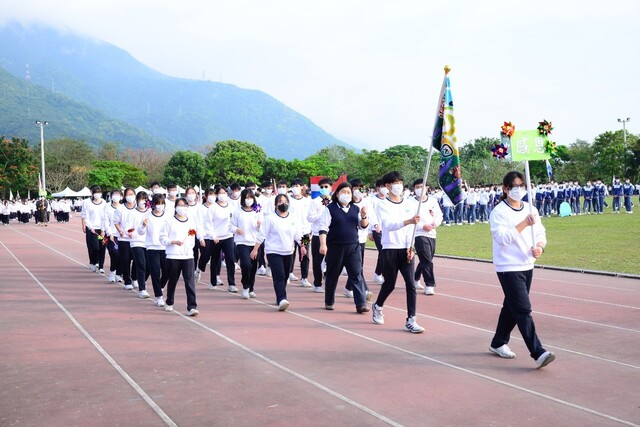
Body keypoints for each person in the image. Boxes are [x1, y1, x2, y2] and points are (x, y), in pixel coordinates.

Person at [488, 171, 555, 369]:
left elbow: (541, 232)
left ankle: (498, 342)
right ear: (505, 189)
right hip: (508, 266)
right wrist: (524, 223)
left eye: (521, 186)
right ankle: (538, 352)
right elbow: (502, 238)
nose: (518, 190)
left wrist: (540, 247)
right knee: (523, 309)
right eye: (514, 186)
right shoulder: (499, 212)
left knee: (511, 306)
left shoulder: (531, 208)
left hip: (527, 264)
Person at [371, 171, 425, 333]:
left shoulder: (409, 204)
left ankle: (411, 320)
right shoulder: (382, 205)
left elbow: (412, 229)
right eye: (395, 183)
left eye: (400, 183)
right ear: (387, 186)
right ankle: (378, 306)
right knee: (390, 284)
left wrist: (411, 247)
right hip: (390, 248)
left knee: (411, 284)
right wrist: (409, 221)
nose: (398, 186)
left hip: (406, 249)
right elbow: (389, 225)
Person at [318, 182, 370, 313]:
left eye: (348, 192)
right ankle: (329, 300)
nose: (346, 195)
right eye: (343, 192)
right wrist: (323, 244)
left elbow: (363, 226)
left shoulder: (355, 209)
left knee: (356, 274)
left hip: (353, 246)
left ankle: (361, 304)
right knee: (332, 275)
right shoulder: (330, 208)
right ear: (337, 194)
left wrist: (364, 216)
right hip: (335, 247)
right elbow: (323, 227)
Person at [251, 194, 304, 311]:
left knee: (285, 276)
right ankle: (282, 299)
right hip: (273, 251)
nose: (283, 204)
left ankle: (280, 295)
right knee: (279, 275)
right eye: (280, 201)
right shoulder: (270, 218)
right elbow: (261, 235)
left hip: (288, 251)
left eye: (285, 201)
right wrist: (255, 249)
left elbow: (299, 234)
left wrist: (303, 246)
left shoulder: (293, 218)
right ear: (275, 205)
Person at [159, 197, 199, 316]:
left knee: (189, 281)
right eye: (180, 205)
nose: (182, 208)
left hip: (188, 256)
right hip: (173, 256)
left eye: (184, 205)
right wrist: (172, 242)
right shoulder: (169, 221)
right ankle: (169, 301)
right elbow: (162, 238)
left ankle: (192, 306)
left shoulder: (191, 221)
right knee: (173, 280)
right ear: (175, 207)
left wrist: (188, 247)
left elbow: (192, 237)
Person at [412, 180, 443, 296]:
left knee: (426, 259)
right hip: (418, 234)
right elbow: (409, 219)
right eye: (417, 187)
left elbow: (439, 215)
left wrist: (435, 223)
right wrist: (421, 226)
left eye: (422, 186)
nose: (420, 189)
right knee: (427, 260)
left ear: (427, 188)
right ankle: (430, 284)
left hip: (431, 233)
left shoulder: (433, 201)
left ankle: (415, 278)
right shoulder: (410, 202)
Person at [205, 185, 238, 292]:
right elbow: (208, 223)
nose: (222, 195)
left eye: (224, 193)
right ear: (216, 194)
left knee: (230, 259)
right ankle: (213, 282)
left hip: (228, 236)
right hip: (216, 238)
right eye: (220, 193)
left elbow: (234, 220)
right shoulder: (213, 208)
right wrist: (213, 236)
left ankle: (232, 284)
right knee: (215, 260)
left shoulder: (231, 206)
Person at [138, 193, 168, 306]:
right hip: (152, 248)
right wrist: (143, 225)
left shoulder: (168, 216)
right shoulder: (147, 216)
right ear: (153, 204)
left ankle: (160, 287)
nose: (160, 206)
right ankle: (159, 296)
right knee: (155, 272)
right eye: (158, 203)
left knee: (167, 272)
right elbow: (140, 232)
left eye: (162, 203)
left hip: (165, 248)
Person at [232, 188, 263, 299]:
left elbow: (262, 227)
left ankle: (251, 288)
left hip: (254, 242)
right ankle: (245, 286)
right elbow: (231, 225)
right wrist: (236, 229)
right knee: (246, 264)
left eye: (250, 197)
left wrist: (259, 225)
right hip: (241, 242)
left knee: (253, 267)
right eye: (246, 198)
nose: (248, 200)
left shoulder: (257, 210)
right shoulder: (237, 211)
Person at [308, 177, 333, 293]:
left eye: (326, 187)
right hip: (317, 234)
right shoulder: (315, 202)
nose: (324, 188)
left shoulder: (334, 202)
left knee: (330, 260)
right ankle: (317, 283)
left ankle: (328, 280)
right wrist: (322, 216)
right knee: (317, 260)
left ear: (331, 188)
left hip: (330, 235)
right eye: (322, 187)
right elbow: (310, 217)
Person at [113, 187, 139, 290]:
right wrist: (120, 231)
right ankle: (127, 281)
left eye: (132, 194)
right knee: (125, 260)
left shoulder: (138, 208)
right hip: (124, 239)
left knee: (137, 260)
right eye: (128, 194)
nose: (130, 196)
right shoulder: (120, 208)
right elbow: (116, 222)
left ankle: (135, 278)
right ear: (124, 196)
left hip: (136, 239)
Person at [288, 178, 312, 287]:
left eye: (297, 186)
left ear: (302, 187)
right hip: (291, 231)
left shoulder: (308, 201)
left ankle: (304, 278)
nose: (295, 188)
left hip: (305, 232)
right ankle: (289, 273)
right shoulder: (288, 200)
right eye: (293, 186)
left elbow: (322, 204)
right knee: (290, 253)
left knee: (305, 254)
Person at [129, 191, 151, 298]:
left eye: (145, 199)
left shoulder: (150, 212)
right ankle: (142, 289)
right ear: (137, 200)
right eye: (141, 199)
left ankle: (141, 280)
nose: (143, 201)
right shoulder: (132, 213)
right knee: (141, 264)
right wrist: (132, 232)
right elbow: (129, 228)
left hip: (149, 243)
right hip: (136, 242)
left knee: (149, 266)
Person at [81, 185, 107, 274]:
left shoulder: (104, 203)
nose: (97, 194)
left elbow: (105, 216)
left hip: (101, 229)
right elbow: (86, 216)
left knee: (102, 247)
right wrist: (89, 227)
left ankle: (101, 266)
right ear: (92, 193)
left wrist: (103, 229)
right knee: (95, 247)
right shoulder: (87, 203)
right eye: (95, 192)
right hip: (92, 229)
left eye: (99, 192)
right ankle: (93, 261)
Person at [103, 189, 123, 283]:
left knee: (120, 255)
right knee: (113, 253)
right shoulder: (107, 208)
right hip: (110, 235)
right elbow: (106, 222)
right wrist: (109, 233)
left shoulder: (123, 208)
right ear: (111, 197)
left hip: (121, 235)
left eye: (118, 194)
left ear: (121, 197)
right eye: (114, 194)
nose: (116, 196)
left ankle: (118, 274)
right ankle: (112, 272)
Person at [369, 179, 387, 283]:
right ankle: (384, 275)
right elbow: (370, 215)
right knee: (383, 252)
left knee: (384, 252)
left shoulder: (389, 199)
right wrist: (369, 231)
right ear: (378, 188)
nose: (384, 189)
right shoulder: (372, 200)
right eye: (382, 186)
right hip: (376, 230)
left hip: (387, 229)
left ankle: (377, 273)